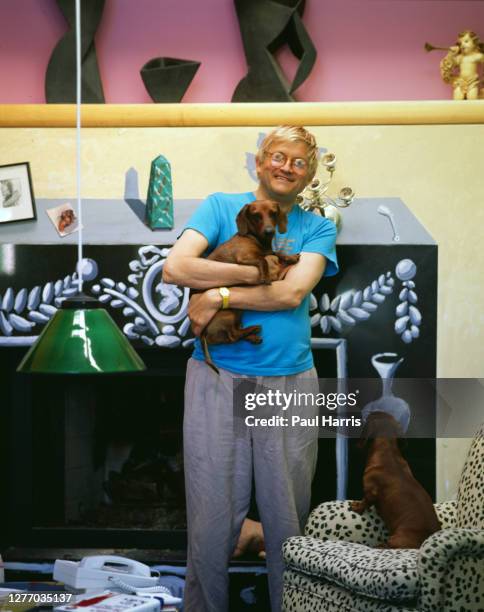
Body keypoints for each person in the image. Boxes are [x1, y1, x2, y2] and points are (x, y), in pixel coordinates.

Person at [163, 125, 338, 611]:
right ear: (259, 163)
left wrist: (218, 293)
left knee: (286, 517)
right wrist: (256, 272)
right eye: (278, 156)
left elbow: (291, 293)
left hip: (288, 382)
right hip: (216, 381)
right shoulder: (221, 206)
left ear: (309, 174)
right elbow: (176, 268)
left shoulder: (319, 227)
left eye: (299, 161)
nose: (287, 167)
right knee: (212, 517)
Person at [440, 30, 484, 100]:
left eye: (466, 41)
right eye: (460, 43)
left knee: (472, 98)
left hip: (472, 82)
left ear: (474, 43)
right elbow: (449, 65)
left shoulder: (478, 56)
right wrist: (451, 54)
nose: (462, 44)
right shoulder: (460, 57)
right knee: (457, 99)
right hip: (460, 82)